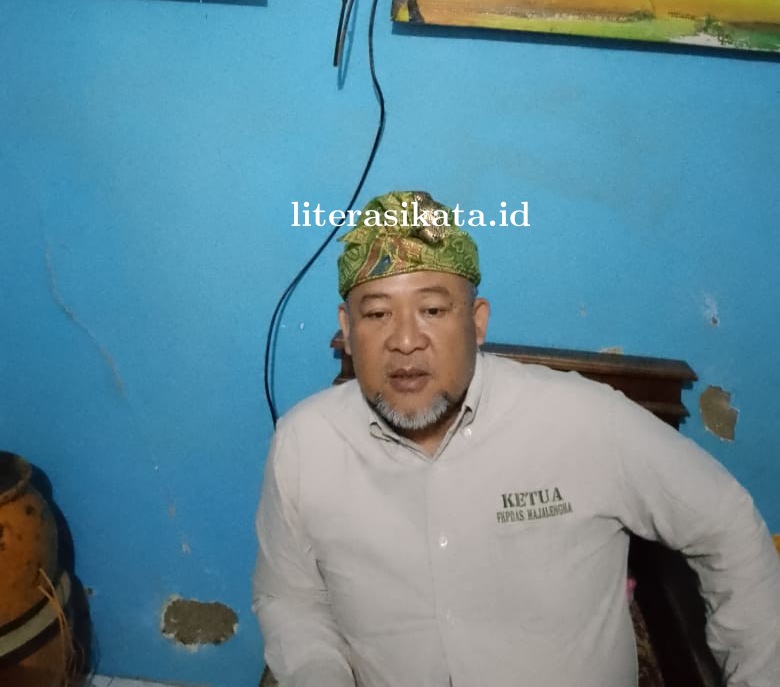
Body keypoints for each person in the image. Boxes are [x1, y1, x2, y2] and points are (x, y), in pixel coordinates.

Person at [253, 190, 780, 687]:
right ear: (347, 329)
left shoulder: (584, 422)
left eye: (433, 310)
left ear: (477, 322)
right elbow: (288, 598)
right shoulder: (305, 445)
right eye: (377, 314)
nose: (406, 340)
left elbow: (726, 523)